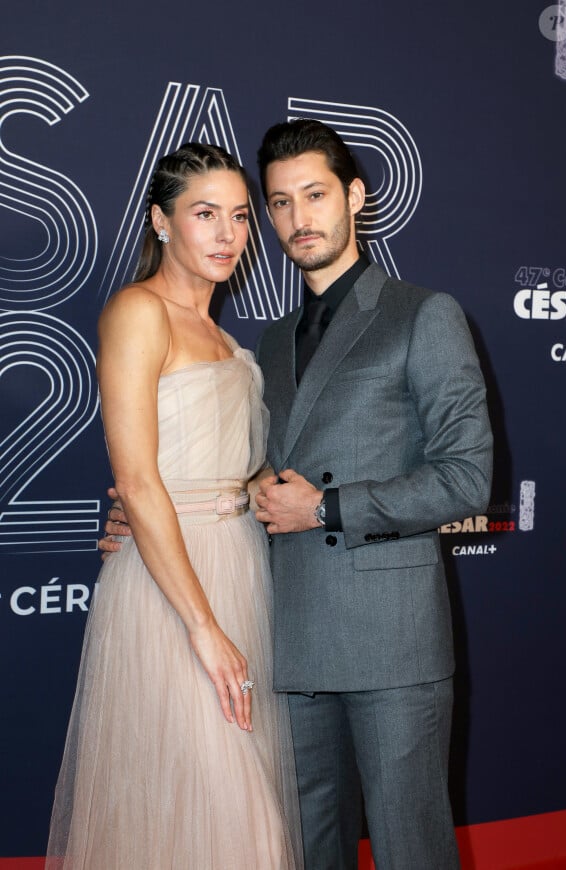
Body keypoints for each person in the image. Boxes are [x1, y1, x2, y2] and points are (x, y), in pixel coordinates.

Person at [101, 120, 493, 870]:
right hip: (287, 645)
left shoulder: (424, 315)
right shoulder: (266, 343)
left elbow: (466, 477)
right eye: (276, 204)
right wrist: (153, 504)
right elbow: (236, 469)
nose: (295, 220)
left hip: (391, 648)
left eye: (314, 196)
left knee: (414, 849)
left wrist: (325, 508)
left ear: (355, 197)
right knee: (309, 854)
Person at [46, 143, 303, 870]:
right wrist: (202, 627)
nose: (226, 234)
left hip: (239, 571)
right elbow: (137, 478)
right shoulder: (138, 311)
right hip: (171, 592)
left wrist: (259, 489)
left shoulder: (231, 341)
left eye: (240, 217)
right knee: (222, 810)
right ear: (162, 222)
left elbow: (235, 468)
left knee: (219, 817)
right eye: (203, 214)